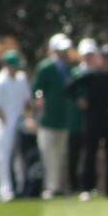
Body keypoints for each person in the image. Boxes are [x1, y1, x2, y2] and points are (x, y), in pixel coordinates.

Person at [67, 40, 108, 199]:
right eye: (104, 58)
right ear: (100, 59)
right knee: (90, 153)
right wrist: (79, 99)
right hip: (92, 119)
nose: (107, 61)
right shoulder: (91, 76)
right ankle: (87, 188)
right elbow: (69, 87)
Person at [0, 49, 32, 202]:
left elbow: (26, 101)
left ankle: (22, 187)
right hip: (3, 124)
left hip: (19, 122)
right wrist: (6, 124)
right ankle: (5, 189)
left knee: (21, 156)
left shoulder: (21, 79)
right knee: (4, 157)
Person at [32, 33, 74, 199]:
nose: (65, 53)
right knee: (49, 154)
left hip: (64, 118)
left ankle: (61, 186)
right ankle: (50, 187)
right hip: (48, 118)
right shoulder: (46, 67)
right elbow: (37, 88)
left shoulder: (69, 69)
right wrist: (39, 97)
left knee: (62, 154)